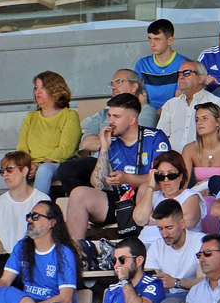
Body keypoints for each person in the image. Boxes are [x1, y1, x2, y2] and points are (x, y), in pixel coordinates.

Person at [65, 93, 169, 243]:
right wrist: (105, 148)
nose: (110, 121)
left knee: (145, 187)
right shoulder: (110, 141)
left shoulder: (155, 137)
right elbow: (99, 184)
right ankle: (76, 253)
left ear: (132, 120)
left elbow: (163, 177)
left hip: (147, 200)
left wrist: (127, 178)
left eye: (116, 117)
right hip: (119, 200)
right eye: (109, 116)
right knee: (78, 194)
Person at [0, 202, 77, 303]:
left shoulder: (63, 253)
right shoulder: (22, 246)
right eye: (29, 216)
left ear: (51, 223)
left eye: (36, 216)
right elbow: (4, 281)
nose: (30, 220)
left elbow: (66, 299)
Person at [18, 72, 78, 198]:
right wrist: (28, 166)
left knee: (44, 170)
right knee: (11, 168)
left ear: (55, 90)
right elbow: (22, 147)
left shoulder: (69, 115)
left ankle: (37, 211)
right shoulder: (30, 117)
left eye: (43, 88)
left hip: (56, 164)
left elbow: (65, 149)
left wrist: (40, 164)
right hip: (31, 166)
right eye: (36, 87)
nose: (37, 92)